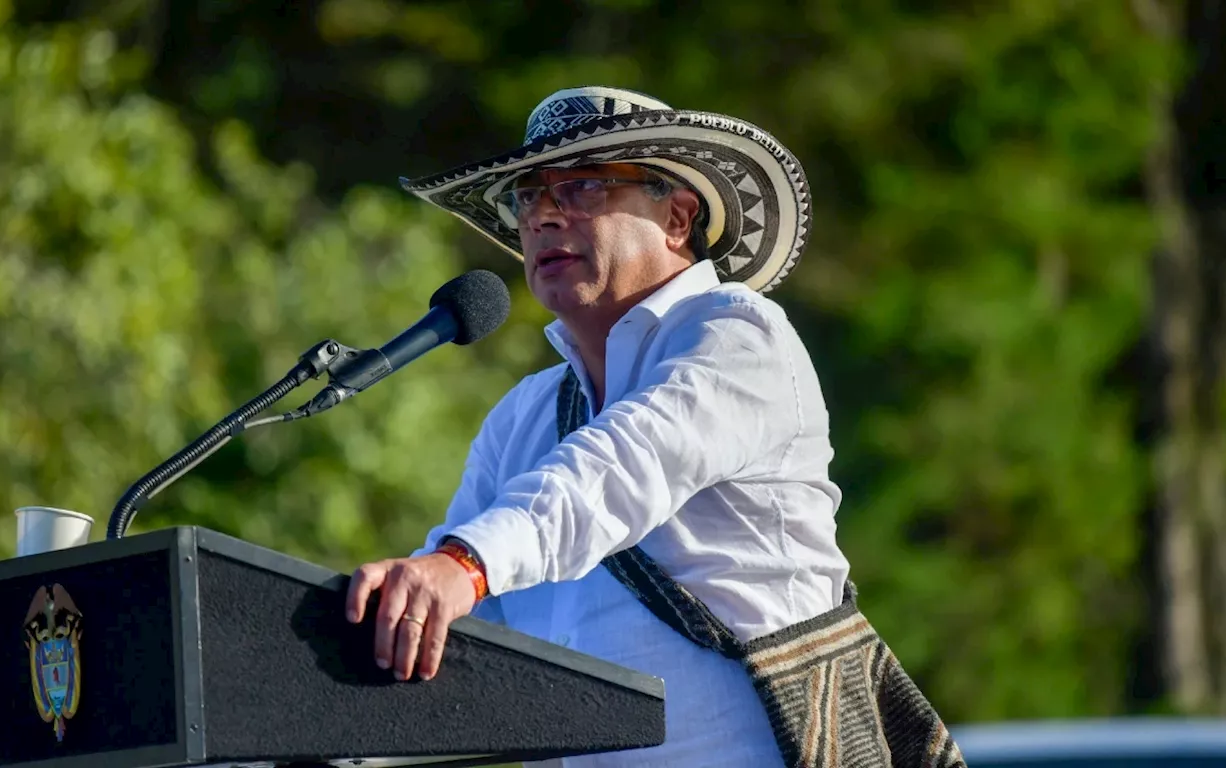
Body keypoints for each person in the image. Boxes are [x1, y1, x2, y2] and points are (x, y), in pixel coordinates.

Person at [344, 86, 965, 768]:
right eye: (527, 196)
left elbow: (619, 468)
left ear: (677, 217)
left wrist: (464, 564)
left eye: (581, 186)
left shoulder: (739, 336)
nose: (543, 215)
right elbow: (447, 641)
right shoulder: (522, 416)